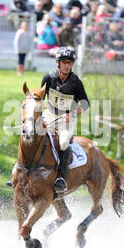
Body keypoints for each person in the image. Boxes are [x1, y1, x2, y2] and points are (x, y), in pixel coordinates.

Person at [40, 47, 90, 194]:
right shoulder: (48, 78)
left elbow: (86, 104)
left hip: (66, 119)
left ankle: (61, 178)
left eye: (70, 62)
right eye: (64, 62)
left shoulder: (76, 82)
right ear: (58, 63)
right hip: (49, 114)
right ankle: (22, 170)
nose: (67, 65)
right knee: (30, 134)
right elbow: (40, 98)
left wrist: (73, 114)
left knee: (62, 143)